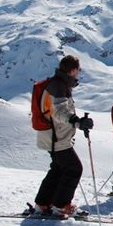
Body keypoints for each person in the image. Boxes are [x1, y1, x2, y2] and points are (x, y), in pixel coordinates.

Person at [34, 55, 94, 216]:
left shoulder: (58, 84)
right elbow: (59, 111)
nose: (79, 74)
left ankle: (43, 203)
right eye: (79, 71)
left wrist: (77, 122)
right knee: (74, 168)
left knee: (58, 169)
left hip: (53, 135)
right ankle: (61, 205)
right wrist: (77, 122)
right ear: (73, 70)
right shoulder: (58, 86)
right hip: (56, 137)